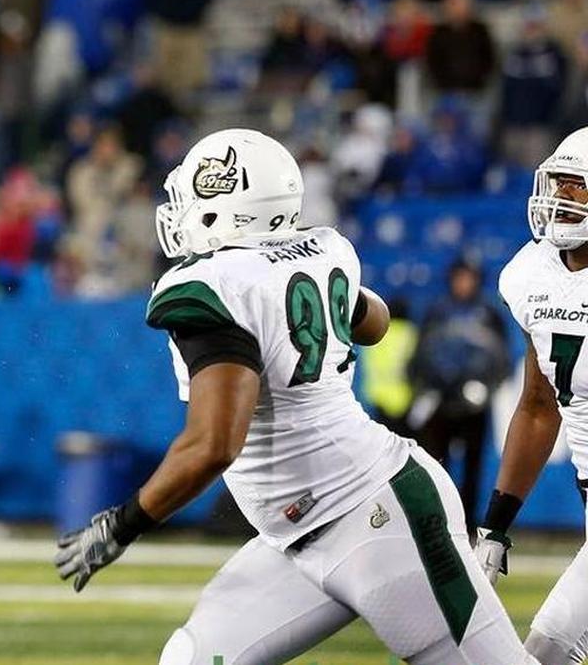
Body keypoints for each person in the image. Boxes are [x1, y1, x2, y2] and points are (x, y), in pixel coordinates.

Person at [54, 128, 536, 664]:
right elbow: (371, 322)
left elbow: (213, 445)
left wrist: (123, 524)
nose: (182, 209)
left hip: (375, 512)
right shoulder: (326, 248)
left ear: (227, 209)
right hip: (295, 536)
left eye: (197, 195)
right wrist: (317, 286)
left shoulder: (214, 284)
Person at [475, 126, 588, 665]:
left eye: (578, 187)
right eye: (559, 183)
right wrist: (495, 525)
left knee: (545, 649)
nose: (562, 197)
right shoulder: (531, 271)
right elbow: (540, 407)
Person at [410, 257, 510, 534]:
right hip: (442, 401)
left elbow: (502, 359)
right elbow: (421, 353)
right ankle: (437, 521)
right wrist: (426, 386)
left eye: (468, 277)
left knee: (472, 468)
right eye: (459, 276)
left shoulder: (488, 312)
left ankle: (465, 525)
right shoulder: (438, 310)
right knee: (436, 465)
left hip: (474, 405)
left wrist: (485, 388)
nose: (463, 283)